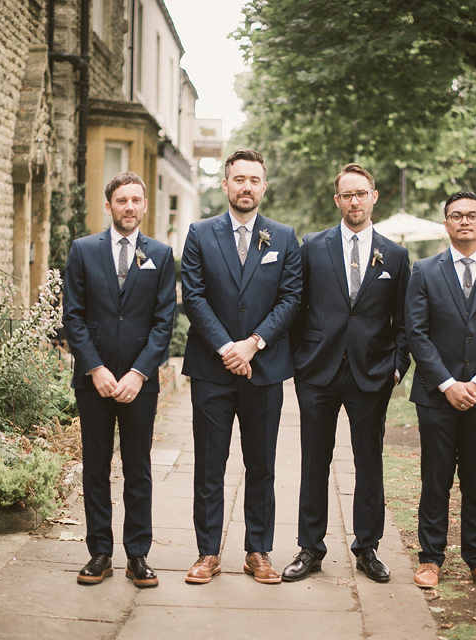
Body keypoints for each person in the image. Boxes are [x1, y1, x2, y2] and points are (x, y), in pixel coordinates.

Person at [282, 163, 410, 583]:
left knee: (368, 464)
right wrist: (300, 360)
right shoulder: (312, 246)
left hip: (371, 374)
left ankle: (367, 548)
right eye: (346, 195)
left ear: (374, 196)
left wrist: (396, 367)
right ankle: (310, 548)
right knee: (313, 462)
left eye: (361, 193)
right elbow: (297, 307)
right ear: (336, 200)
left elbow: (405, 320)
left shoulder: (395, 254)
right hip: (318, 372)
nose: (354, 201)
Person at [180, 149, 302, 585]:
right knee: (209, 464)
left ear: (264, 186)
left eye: (254, 180)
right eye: (239, 179)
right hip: (212, 370)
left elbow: (291, 298)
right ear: (226, 184)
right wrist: (227, 348)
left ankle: (258, 551)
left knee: (262, 464)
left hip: (264, 369)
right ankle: (207, 553)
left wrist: (251, 345)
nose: (246, 187)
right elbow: (192, 297)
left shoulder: (284, 238)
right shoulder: (199, 233)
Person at [62, 171, 176, 587]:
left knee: (138, 469)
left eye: (136, 200)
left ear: (145, 206)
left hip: (138, 383)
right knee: (95, 467)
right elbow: (72, 315)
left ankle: (138, 556)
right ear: (108, 205)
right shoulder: (83, 251)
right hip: (94, 381)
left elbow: (164, 322)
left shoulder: (161, 256)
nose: (129, 207)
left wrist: (138, 373)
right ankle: (99, 553)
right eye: (121, 200)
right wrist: (95, 368)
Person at [405, 191, 476, 590]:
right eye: (456, 215)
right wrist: (447, 384)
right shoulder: (424, 270)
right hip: (436, 396)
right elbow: (416, 334)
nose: (465, 221)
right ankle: (430, 559)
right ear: (446, 223)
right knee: (435, 478)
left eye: (473, 215)